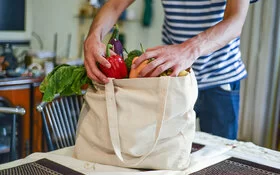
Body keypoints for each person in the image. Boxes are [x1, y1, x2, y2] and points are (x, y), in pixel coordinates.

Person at [84, 0, 258, 140]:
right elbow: (115, 5)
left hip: (219, 78)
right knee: (162, 154)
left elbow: (235, 20)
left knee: (218, 159)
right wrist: (93, 35)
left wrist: (188, 50)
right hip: (170, 78)